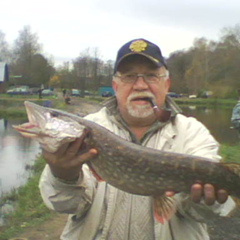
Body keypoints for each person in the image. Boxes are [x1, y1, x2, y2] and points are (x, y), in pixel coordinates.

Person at [39, 38, 236, 240]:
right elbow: (66, 205)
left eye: (151, 76)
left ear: (166, 84)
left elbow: (204, 213)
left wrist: (204, 200)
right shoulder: (86, 132)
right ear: (115, 85)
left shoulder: (192, 132)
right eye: (129, 76)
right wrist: (63, 175)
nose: (140, 85)